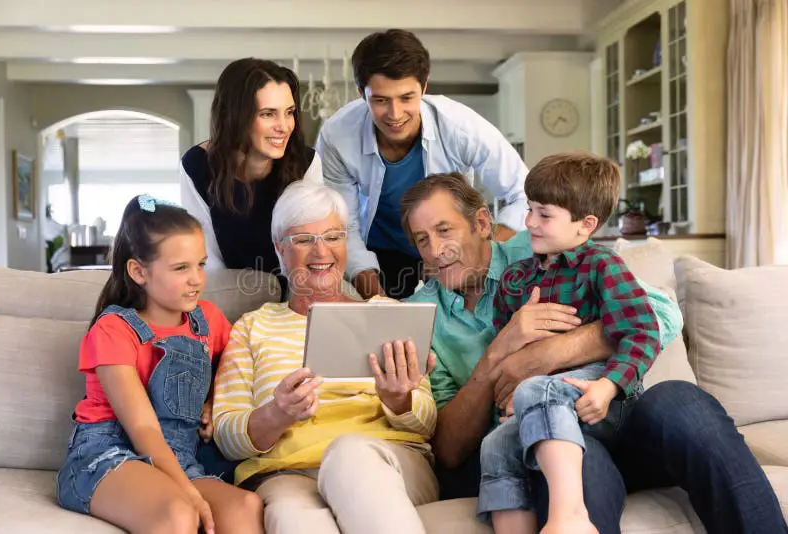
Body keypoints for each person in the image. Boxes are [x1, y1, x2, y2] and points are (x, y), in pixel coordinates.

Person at [400, 173, 788, 533]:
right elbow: (449, 452)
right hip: (547, 444)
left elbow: (660, 313)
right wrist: (498, 356)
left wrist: (550, 352)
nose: (434, 251)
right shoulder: (421, 317)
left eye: (444, 230)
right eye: (421, 239)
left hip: (616, 415)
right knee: (576, 471)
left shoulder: (543, 244)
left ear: (482, 223)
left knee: (681, 401)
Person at [211, 181, 439, 534]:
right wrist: (277, 413)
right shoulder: (252, 327)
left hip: (386, 460)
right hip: (287, 472)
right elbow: (226, 436)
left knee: (350, 455)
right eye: (303, 240)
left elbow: (427, 423)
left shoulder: (386, 315)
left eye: (333, 236)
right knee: (293, 516)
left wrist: (399, 398)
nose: (321, 252)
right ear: (279, 249)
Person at [56, 195, 263, 534]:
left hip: (179, 456)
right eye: (181, 268)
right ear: (138, 271)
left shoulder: (208, 320)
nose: (196, 278)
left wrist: (214, 401)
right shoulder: (113, 329)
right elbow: (144, 430)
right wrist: (189, 492)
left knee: (245, 506)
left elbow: (236, 369)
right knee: (179, 513)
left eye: (201, 264)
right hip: (108, 454)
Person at [479, 153, 660, 534]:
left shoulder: (602, 266)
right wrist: (512, 386)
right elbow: (507, 356)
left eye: (544, 215)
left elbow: (642, 331)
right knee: (494, 445)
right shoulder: (516, 278)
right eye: (530, 210)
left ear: (586, 225)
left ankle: (570, 516)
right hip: (539, 400)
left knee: (537, 389)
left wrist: (609, 385)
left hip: (599, 397)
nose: (529, 223)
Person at [316, 28, 527, 300]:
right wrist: (376, 300)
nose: (395, 115)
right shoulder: (337, 135)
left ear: (424, 86)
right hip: (379, 255)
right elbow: (345, 225)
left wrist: (478, 250)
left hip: (454, 250)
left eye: (406, 98)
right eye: (380, 100)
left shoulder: (462, 127)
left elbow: (524, 195)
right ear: (361, 93)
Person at [181, 58, 322, 277]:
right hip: (227, 287)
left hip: (295, 284)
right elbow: (206, 256)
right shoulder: (196, 165)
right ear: (235, 117)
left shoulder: (307, 162)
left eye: (289, 112)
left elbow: (313, 247)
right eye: (268, 114)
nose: (284, 127)